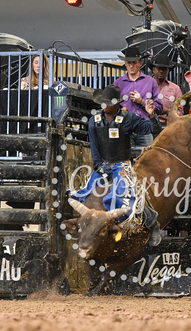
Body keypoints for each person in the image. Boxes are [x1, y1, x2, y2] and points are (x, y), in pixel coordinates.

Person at [69, 85, 161, 246]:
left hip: (122, 165)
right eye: (102, 103)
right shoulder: (94, 121)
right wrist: (99, 166)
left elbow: (152, 129)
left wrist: (151, 115)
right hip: (102, 166)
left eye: (107, 103)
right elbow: (94, 147)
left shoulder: (128, 118)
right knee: (83, 196)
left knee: (126, 199)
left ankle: (153, 223)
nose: (104, 106)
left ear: (116, 103)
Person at [113, 46, 163, 146]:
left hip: (145, 126)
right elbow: (112, 106)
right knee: (126, 158)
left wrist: (142, 102)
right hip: (126, 126)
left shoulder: (150, 82)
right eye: (129, 63)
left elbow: (159, 107)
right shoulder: (118, 83)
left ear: (140, 63)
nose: (131, 66)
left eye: (134, 62)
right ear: (125, 64)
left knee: (147, 157)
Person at [149, 53, 183, 137]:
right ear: (154, 69)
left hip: (168, 127)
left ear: (168, 71)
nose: (161, 71)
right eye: (159, 68)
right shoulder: (146, 86)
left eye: (164, 69)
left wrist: (168, 111)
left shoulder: (175, 89)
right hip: (149, 126)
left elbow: (180, 112)